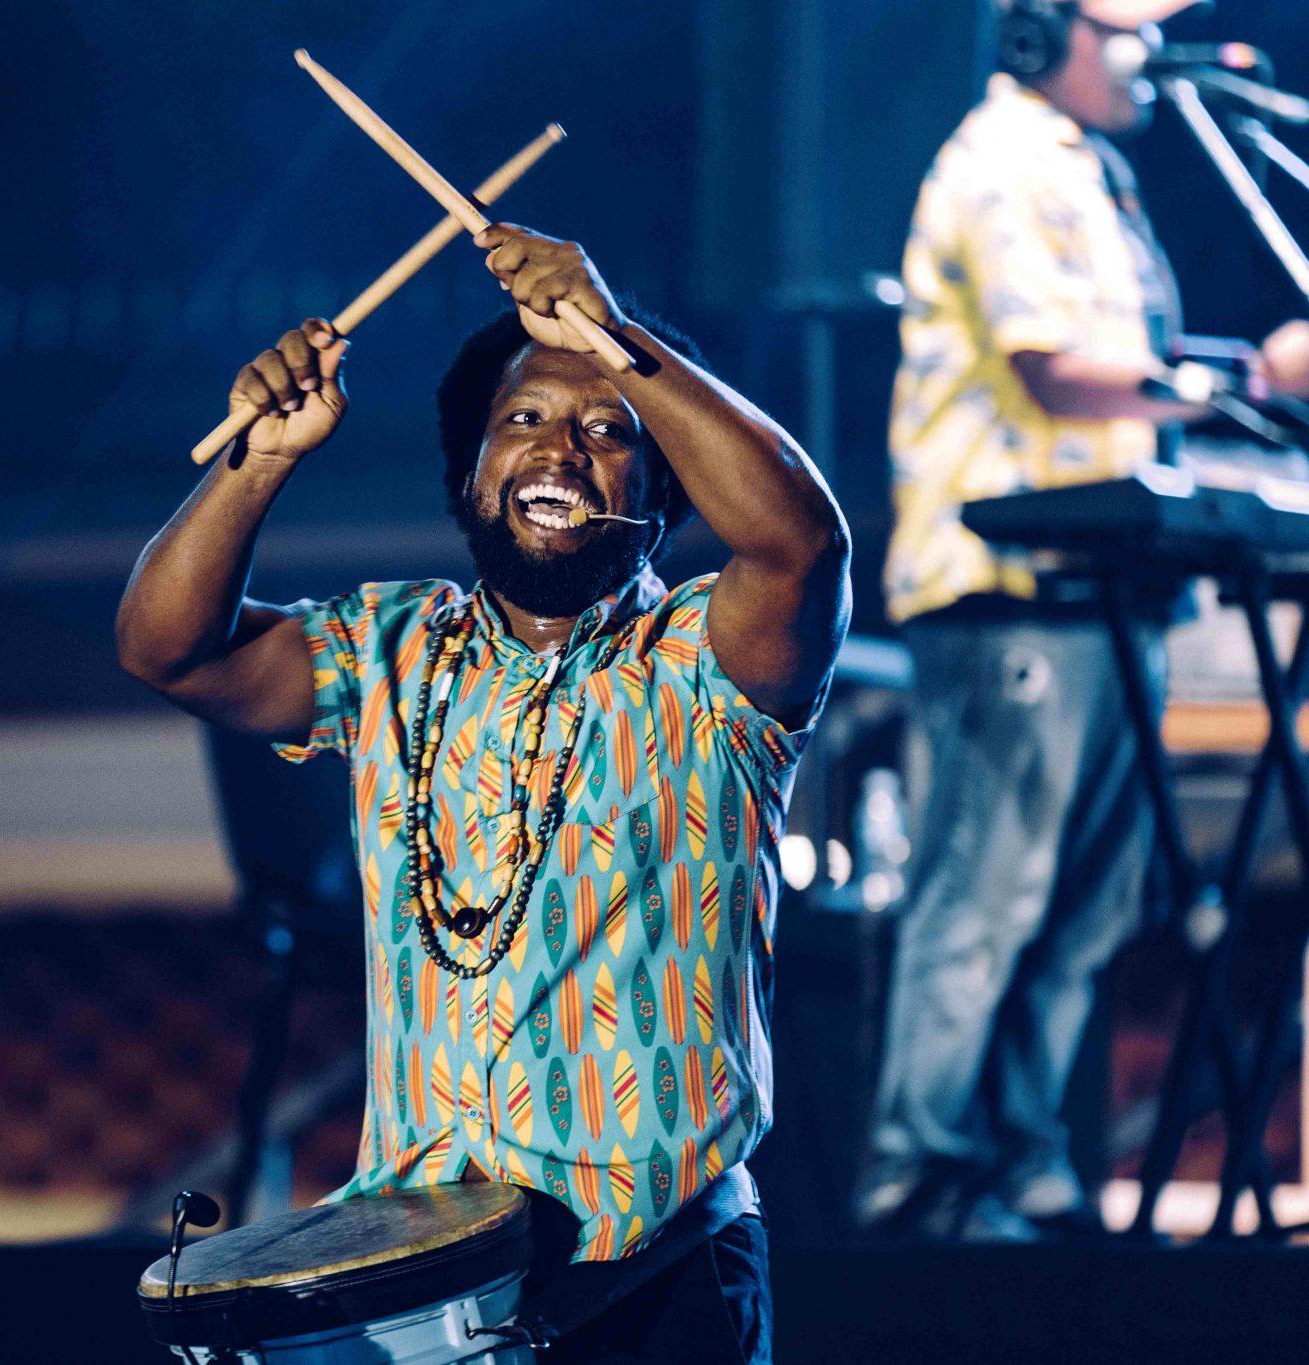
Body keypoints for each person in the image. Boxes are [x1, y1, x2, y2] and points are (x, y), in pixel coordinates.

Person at [119, 224, 848, 1361]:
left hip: (654, 1278)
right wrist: (256, 462)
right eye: (524, 420)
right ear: (471, 472)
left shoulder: (707, 657)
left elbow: (803, 544)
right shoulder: (389, 646)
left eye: (608, 430)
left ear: (659, 492)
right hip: (421, 1292)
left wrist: (612, 336)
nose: (561, 450)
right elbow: (166, 649)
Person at [859, 0, 1309, 1242]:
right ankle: (923, 1187)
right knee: (985, 901)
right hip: (1004, 590)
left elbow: (1125, 365)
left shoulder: (1086, 169)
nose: (1144, 54)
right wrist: (1253, 377)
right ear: (1037, 34)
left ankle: (1019, 1169)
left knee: (1079, 914)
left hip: (1102, 584)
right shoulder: (1002, 161)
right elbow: (1051, 368)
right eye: (1122, 29)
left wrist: (1226, 390)